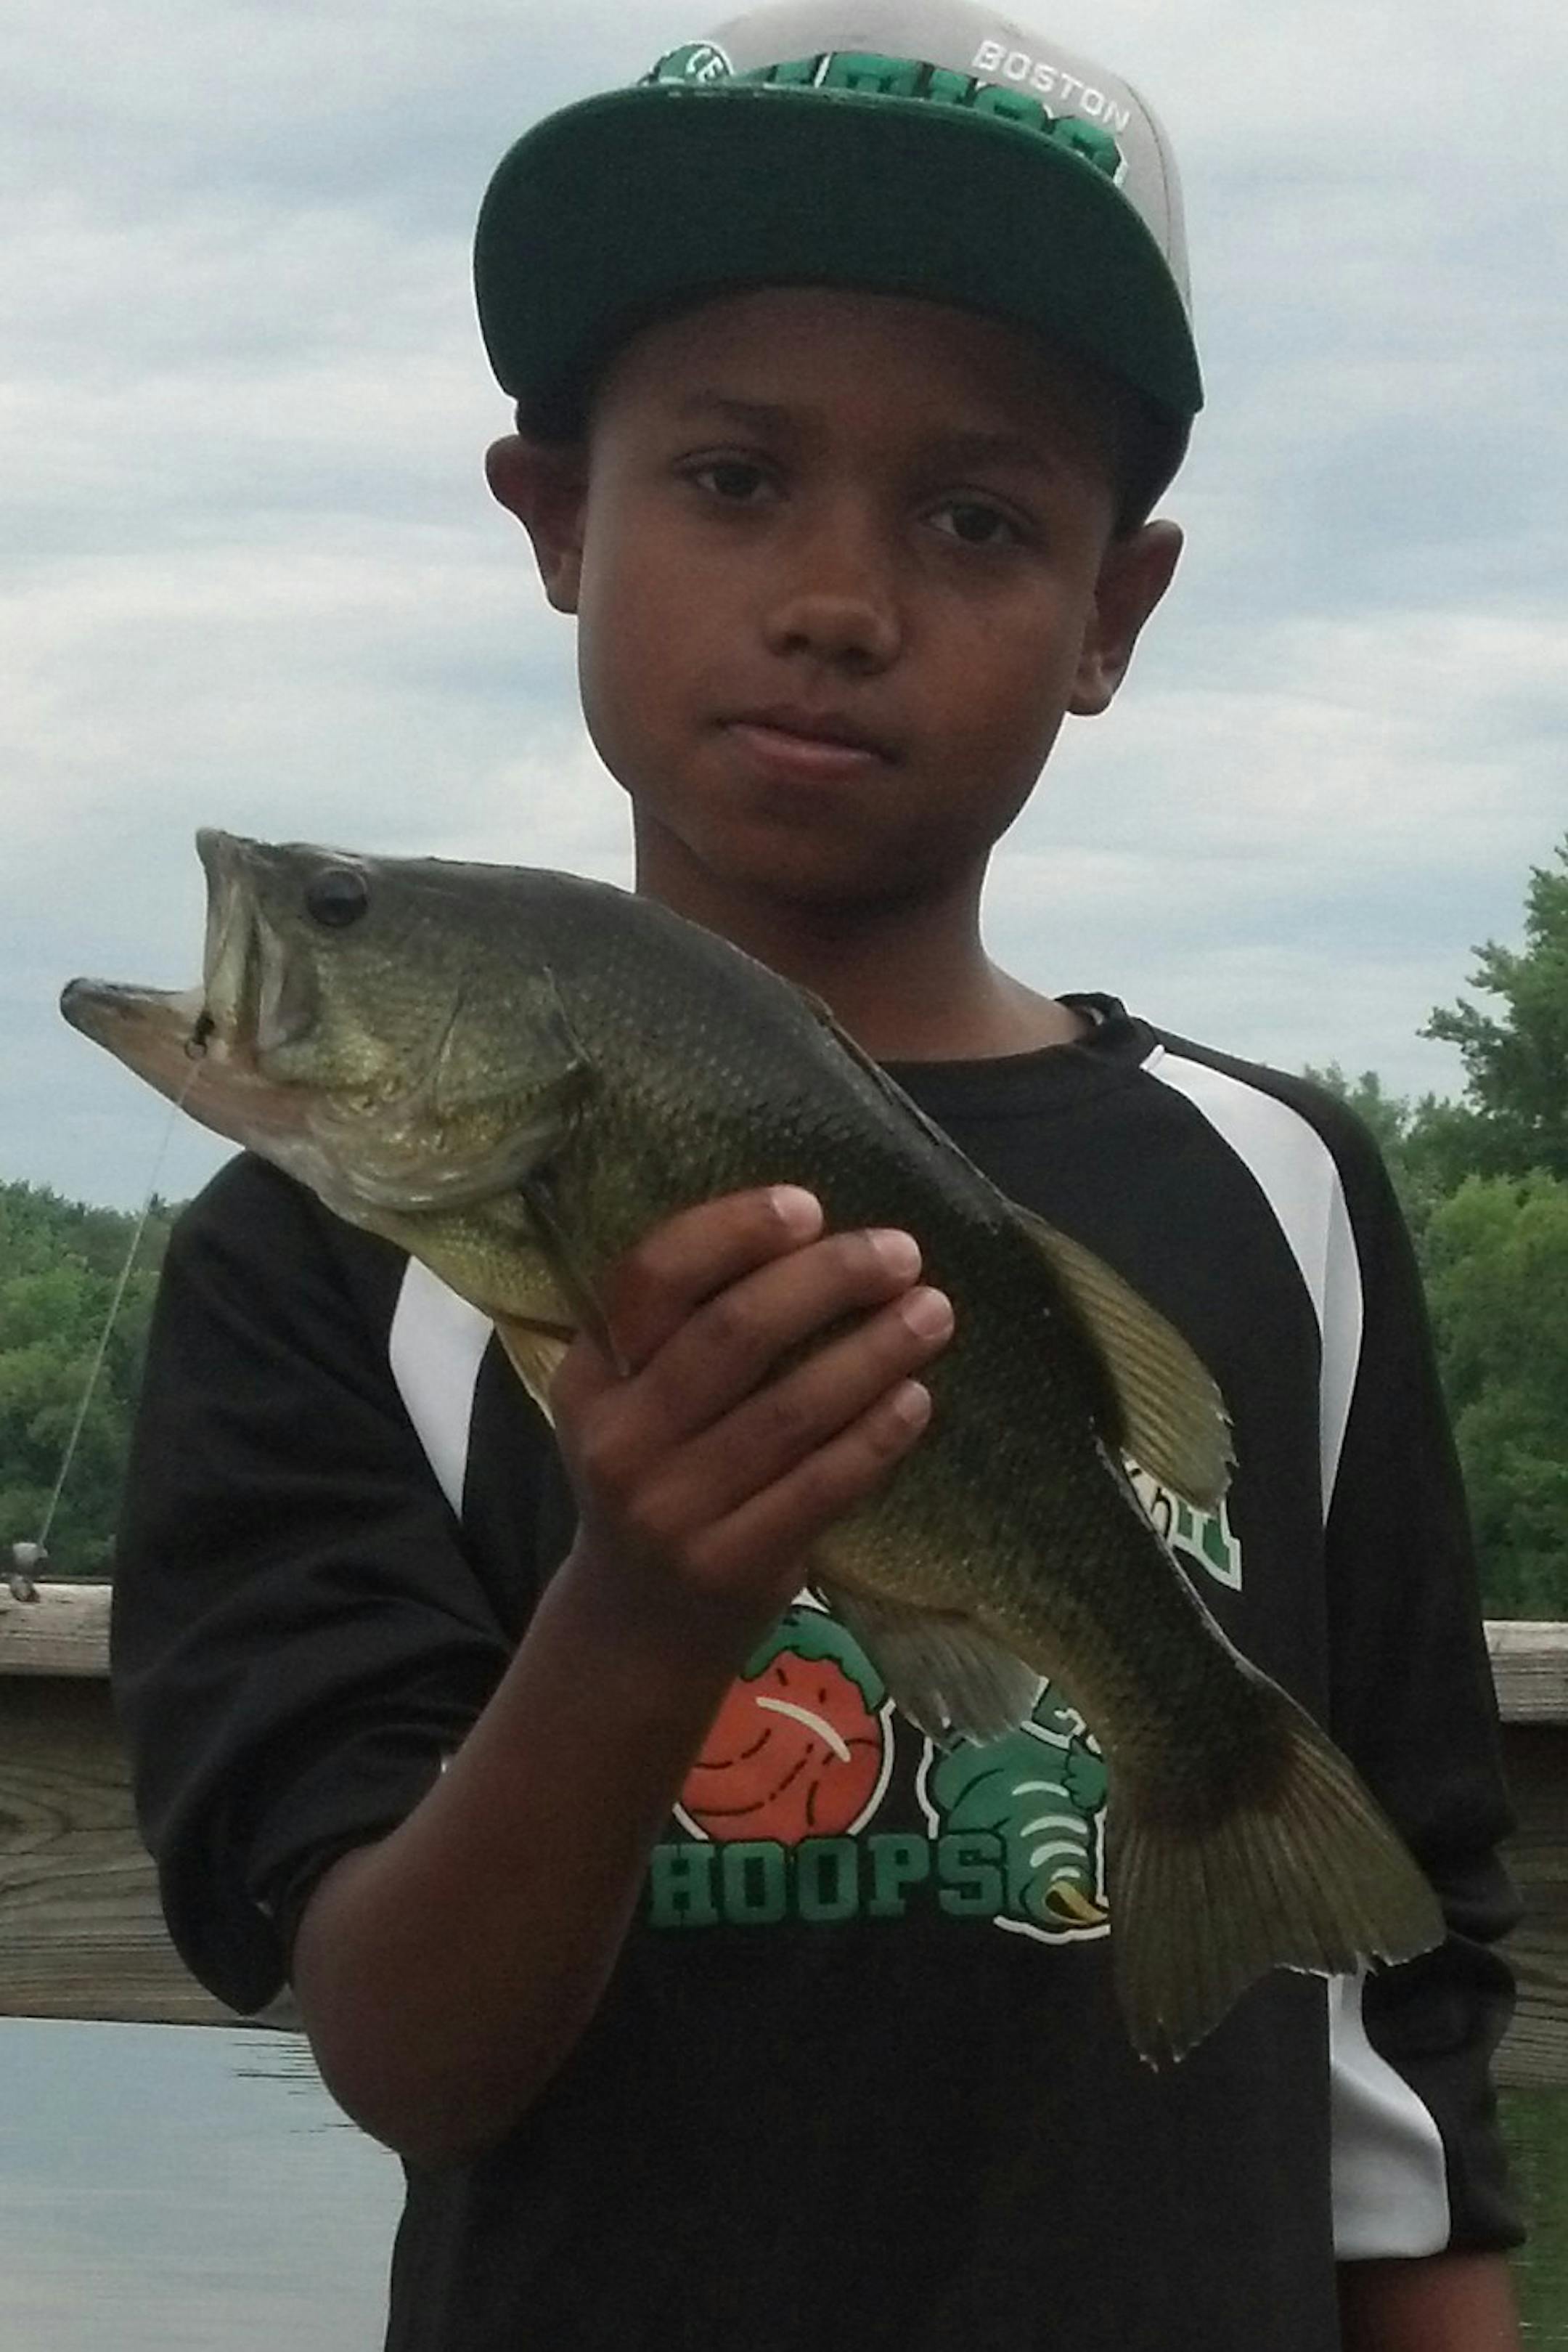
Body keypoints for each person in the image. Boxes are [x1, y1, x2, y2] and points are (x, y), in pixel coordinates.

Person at [111, 4, 1525, 2345]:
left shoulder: (1278, 1192)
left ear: (1115, 614)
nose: (840, 598)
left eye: (977, 517)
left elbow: (1405, 2019)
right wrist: (648, 1608)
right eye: (734, 478)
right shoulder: (319, 1259)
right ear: (558, 517)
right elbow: (401, 2046)